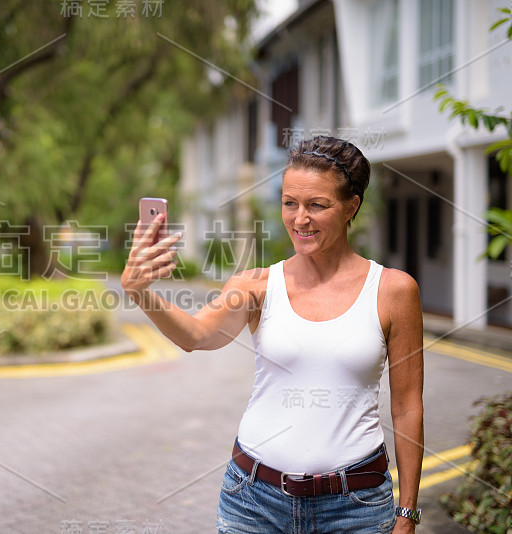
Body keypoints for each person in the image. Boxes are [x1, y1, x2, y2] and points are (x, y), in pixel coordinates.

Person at [121, 136, 424, 533]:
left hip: (356, 508)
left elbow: (407, 406)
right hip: (254, 503)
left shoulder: (393, 291)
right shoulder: (257, 286)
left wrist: (407, 513)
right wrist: (140, 292)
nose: (300, 219)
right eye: (289, 203)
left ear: (352, 206)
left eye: (317, 205)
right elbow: (195, 336)